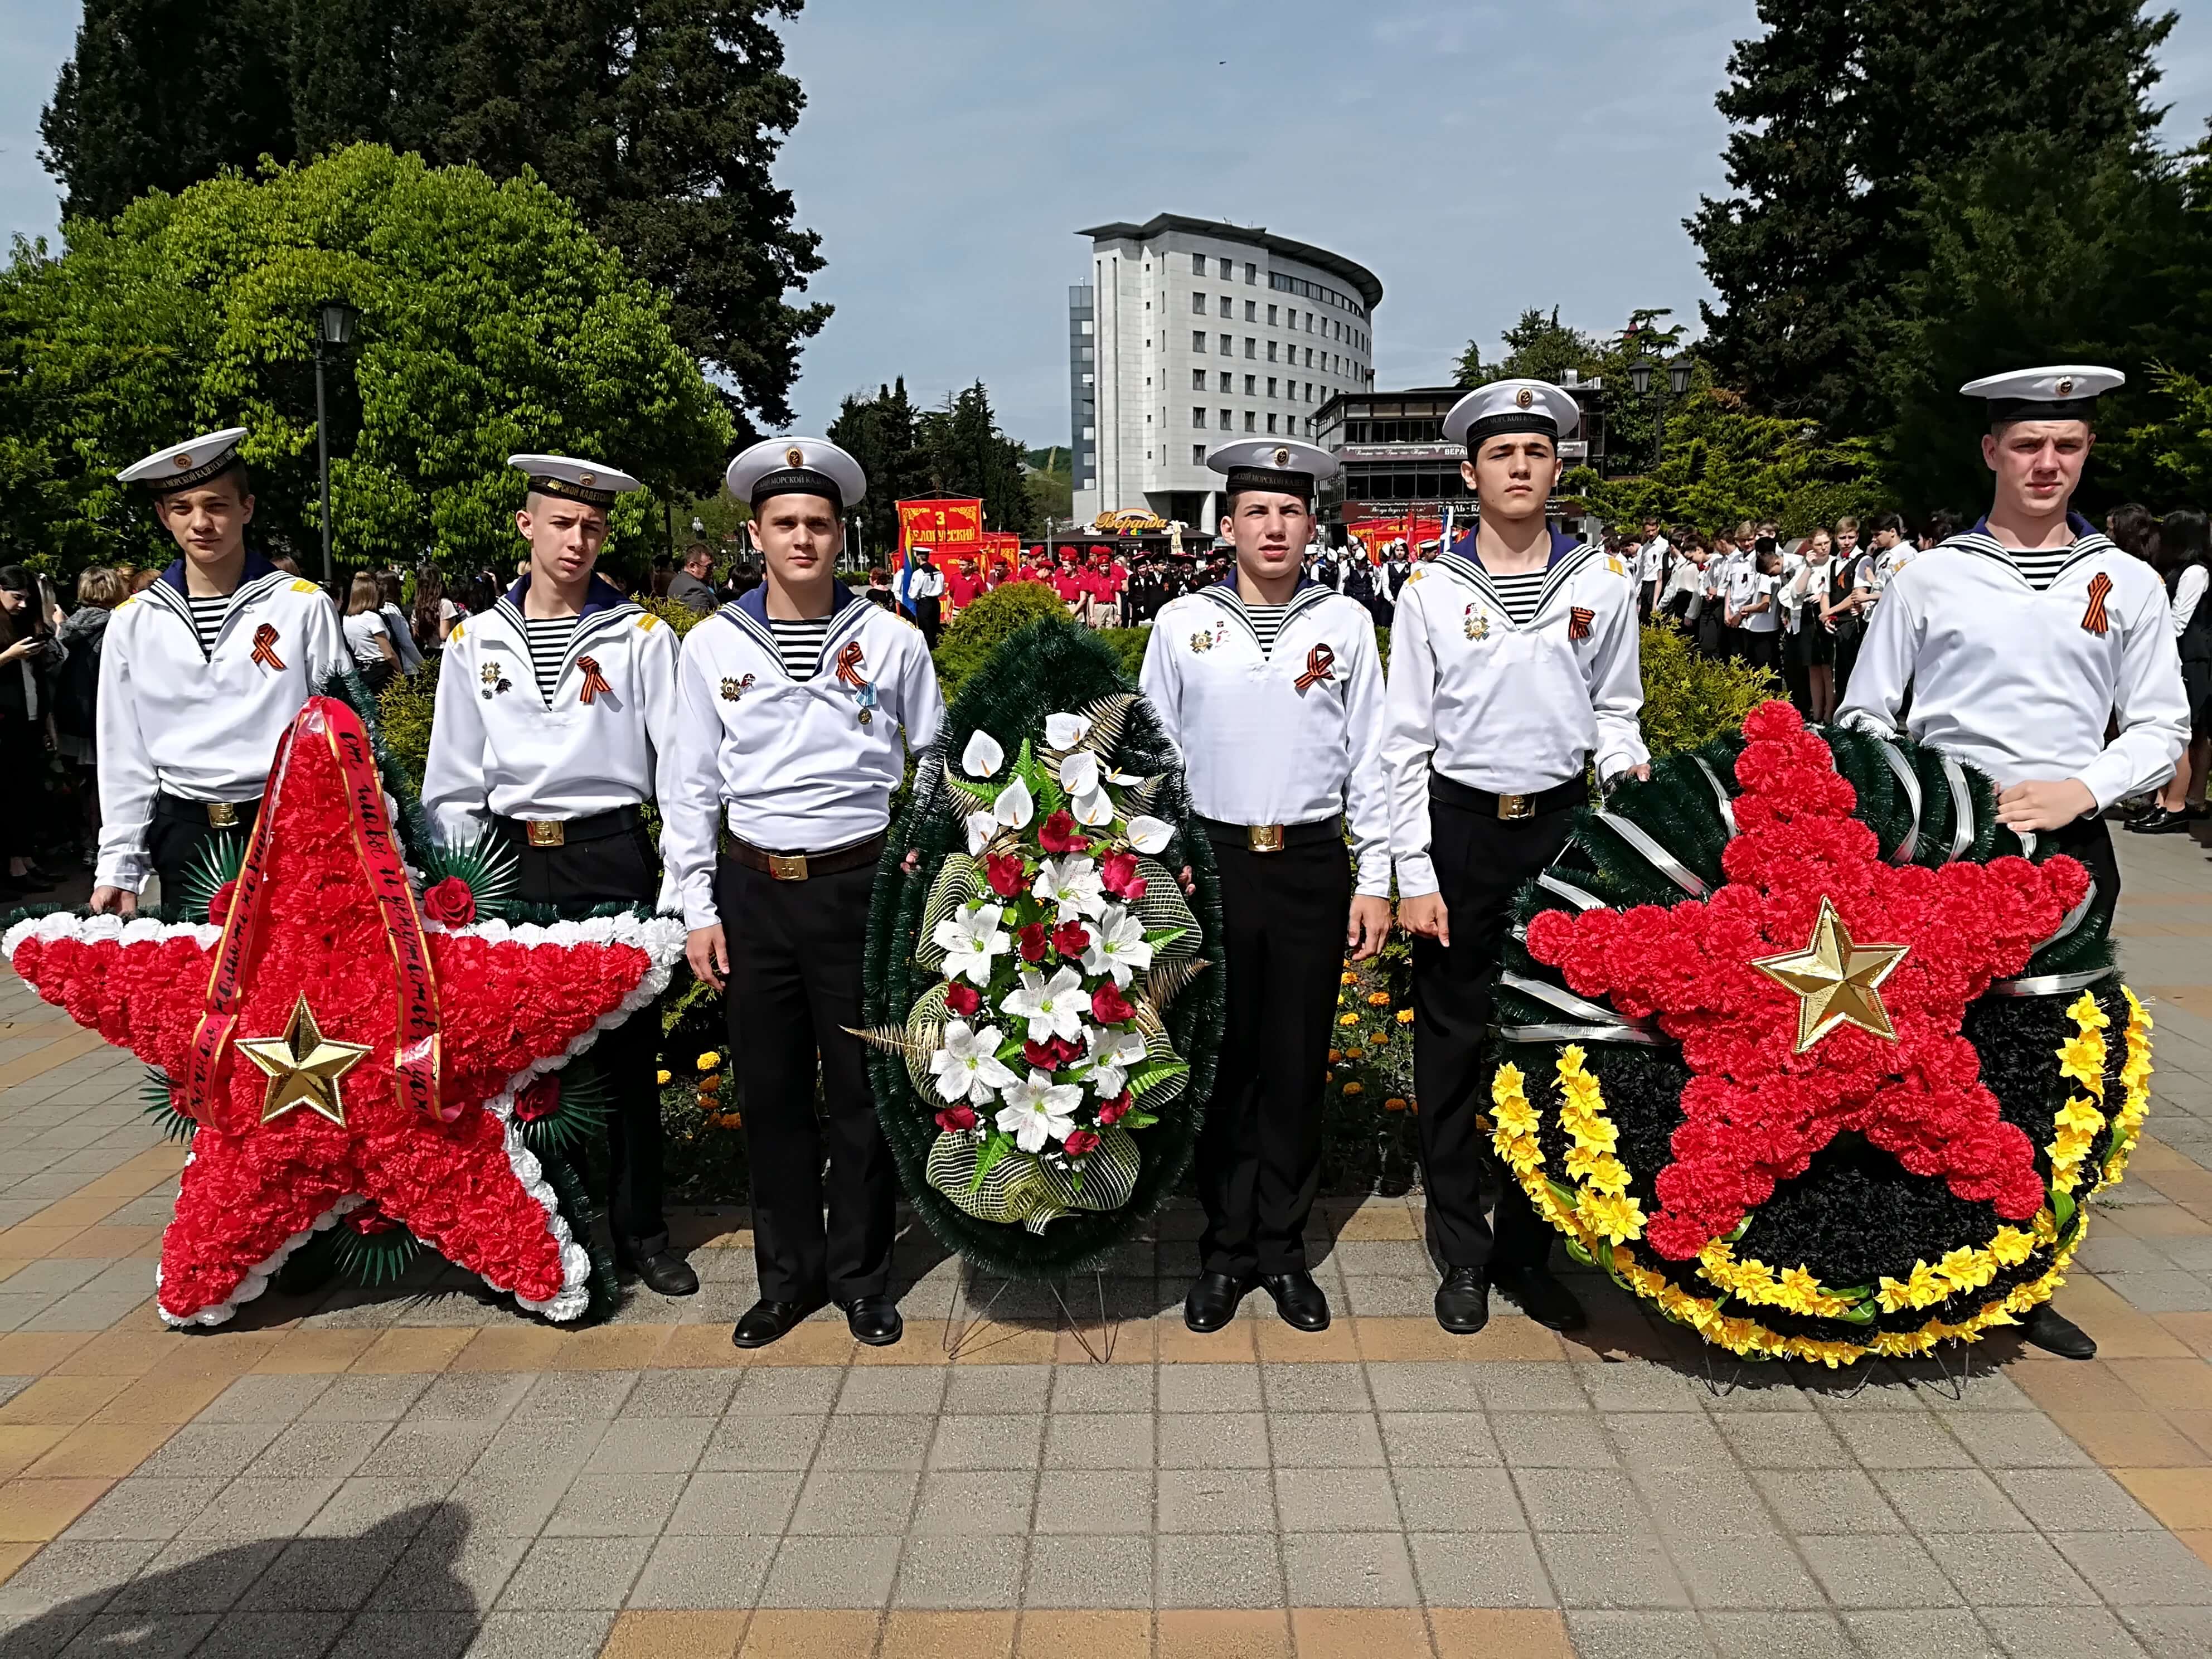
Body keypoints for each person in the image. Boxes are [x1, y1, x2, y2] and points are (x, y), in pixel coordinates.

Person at [1839, 366, 2187, 1359]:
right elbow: (1866, 713)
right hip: (1947, 852)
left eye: (2066, 447)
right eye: (2027, 445)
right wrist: (1922, 796)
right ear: (1990, 451)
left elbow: (2161, 721)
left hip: (2067, 852)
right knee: (1929, 1060)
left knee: (2049, 1062)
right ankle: (1921, 1257)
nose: (2046, 464)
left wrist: (2084, 787)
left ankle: (2023, 1273)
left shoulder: (2122, 580)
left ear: (2083, 456)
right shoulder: (1929, 576)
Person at [1382, 379, 1650, 1335]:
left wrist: (1629, 772)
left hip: (1561, 830)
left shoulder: (1600, 583)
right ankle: (1459, 1248)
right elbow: (1402, 741)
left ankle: (1528, 1247)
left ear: (1556, 467)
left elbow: (1615, 712)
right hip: (1460, 831)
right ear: (1469, 472)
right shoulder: (1431, 588)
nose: (1520, 468)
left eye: (1535, 452)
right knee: (1452, 1044)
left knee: (1556, 1038)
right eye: (1501, 454)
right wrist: (1412, 875)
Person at [666, 438, 944, 1351]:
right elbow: (689, 782)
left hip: (855, 887)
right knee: (773, 1092)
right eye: (783, 523)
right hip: (754, 891)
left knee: (864, 1092)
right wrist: (696, 905)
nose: (801, 539)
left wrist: (926, 875)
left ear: (840, 534)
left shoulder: (890, 639)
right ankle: (786, 1279)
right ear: (754, 533)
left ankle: (861, 1276)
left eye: (817, 524)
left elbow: (937, 766)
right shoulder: (711, 645)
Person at [420, 454, 697, 1298]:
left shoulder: (641, 637)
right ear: (525, 526)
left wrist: (682, 882)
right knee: (524, 1063)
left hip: (609, 851)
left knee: (625, 1057)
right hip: (512, 862)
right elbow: (454, 778)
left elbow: (683, 767)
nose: (578, 541)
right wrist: (456, 891)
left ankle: (642, 1230)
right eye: (563, 523)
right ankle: (548, 1230)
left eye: (594, 527)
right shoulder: (474, 640)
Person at [1141, 439, 1393, 1335]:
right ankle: (1223, 1251)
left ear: (1311, 523)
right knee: (1222, 1064)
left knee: (1292, 1066)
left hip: (1313, 865)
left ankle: (1283, 1254)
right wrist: (1153, 872)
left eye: (1289, 510)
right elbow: (1153, 758)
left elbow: (1374, 758)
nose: (1274, 526)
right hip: (1210, 866)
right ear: (1229, 524)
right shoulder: (1182, 623)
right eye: (1256, 510)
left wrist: (1378, 877)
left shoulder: (1347, 623)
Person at [92, 428, 347, 915]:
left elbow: (341, 732)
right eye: (183, 508)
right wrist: (119, 867)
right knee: (198, 984)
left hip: (285, 828)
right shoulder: (134, 620)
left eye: (218, 505)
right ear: (163, 516)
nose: (202, 523)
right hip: (184, 833)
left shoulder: (301, 606)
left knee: (290, 985)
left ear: (246, 508)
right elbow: (124, 753)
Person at [2131, 508, 2211, 835]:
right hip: (2179, 659)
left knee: (2180, 733)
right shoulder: (2180, 570)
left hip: (2190, 661)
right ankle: (2163, 801)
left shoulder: (2195, 573)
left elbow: (2179, 622)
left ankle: (2175, 804)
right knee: (2169, 731)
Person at [52, 568, 127, 867]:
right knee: (105, 785)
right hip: (103, 716)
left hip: (70, 716)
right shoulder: (115, 626)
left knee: (82, 785)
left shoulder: (68, 629)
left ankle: (85, 843)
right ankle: (101, 845)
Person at [0, 566, 65, 896]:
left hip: (29, 721)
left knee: (26, 795)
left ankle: (24, 861)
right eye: (17, 597)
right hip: (4, 726)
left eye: (27, 599)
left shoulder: (26, 625)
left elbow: (40, 682)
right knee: (9, 797)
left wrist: (48, 724)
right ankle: (13, 868)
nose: (23, 605)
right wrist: (9, 656)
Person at [1784, 527, 1838, 719]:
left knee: (1827, 668)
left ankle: (1828, 714)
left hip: (1826, 614)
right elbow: (1796, 592)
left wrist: (1822, 595)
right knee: (1812, 668)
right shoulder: (1806, 565)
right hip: (1808, 616)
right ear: (1811, 546)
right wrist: (1808, 566)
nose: (1823, 548)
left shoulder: (1836, 563)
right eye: (1819, 544)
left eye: (1826, 543)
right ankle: (1816, 713)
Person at [342, 574, 401, 691]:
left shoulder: (347, 618)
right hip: (382, 670)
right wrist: (400, 671)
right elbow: (389, 654)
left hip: (362, 669)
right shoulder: (372, 618)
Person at [376, 573, 424, 676]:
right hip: (404, 667)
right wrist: (423, 665)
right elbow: (405, 642)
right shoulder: (391, 610)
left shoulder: (375, 611)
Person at [906, 547, 945, 645]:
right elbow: (942, 591)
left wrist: (916, 599)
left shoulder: (918, 574)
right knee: (935, 628)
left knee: (925, 630)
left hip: (924, 603)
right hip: (935, 603)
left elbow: (912, 594)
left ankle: (929, 651)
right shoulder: (939, 572)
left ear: (918, 558)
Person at [670, 542, 720, 615]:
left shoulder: (678, 580)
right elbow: (701, 623)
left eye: (713, 566)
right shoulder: (694, 590)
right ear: (692, 566)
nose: (712, 570)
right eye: (709, 567)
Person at [1637, 516, 1671, 622]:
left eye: (1653, 530)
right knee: (1644, 617)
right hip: (1645, 584)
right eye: (1648, 531)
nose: (1651, 534)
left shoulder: (1664, 545)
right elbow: (1641, 570)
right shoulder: (1645, 547)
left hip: (1655, 584)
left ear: (1658, 528)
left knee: (1654, 617)